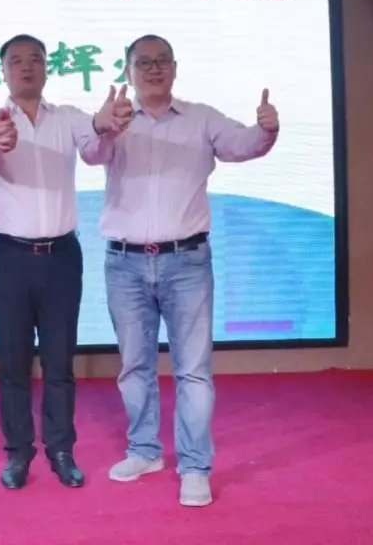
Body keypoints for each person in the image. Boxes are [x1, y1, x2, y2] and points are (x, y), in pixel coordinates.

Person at [99, 34, 279, 507]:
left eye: (162, 61)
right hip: (125, 263)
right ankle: (144, 450)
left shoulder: (201, 118)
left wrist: (266, 130)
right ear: (128, 70)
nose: (154, 69)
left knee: (194, 371)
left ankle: (195, 467)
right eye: (144, 62)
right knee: (134, 366)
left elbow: (242, 145)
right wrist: (104, 126)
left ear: (175, 68)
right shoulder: (116, 122)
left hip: (187, 262)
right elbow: (92, 154)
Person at [0, 34, 133, 490]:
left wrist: (104, 124)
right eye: (16, 61)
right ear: (3, 71)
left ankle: (61, 449)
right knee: (13, 361)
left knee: (59, 361)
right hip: (9, 257)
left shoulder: (68, 118)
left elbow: (94, 149)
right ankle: (18, 453)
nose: (26, 67)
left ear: (46, 67)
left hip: (61, 257)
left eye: (35, 59)